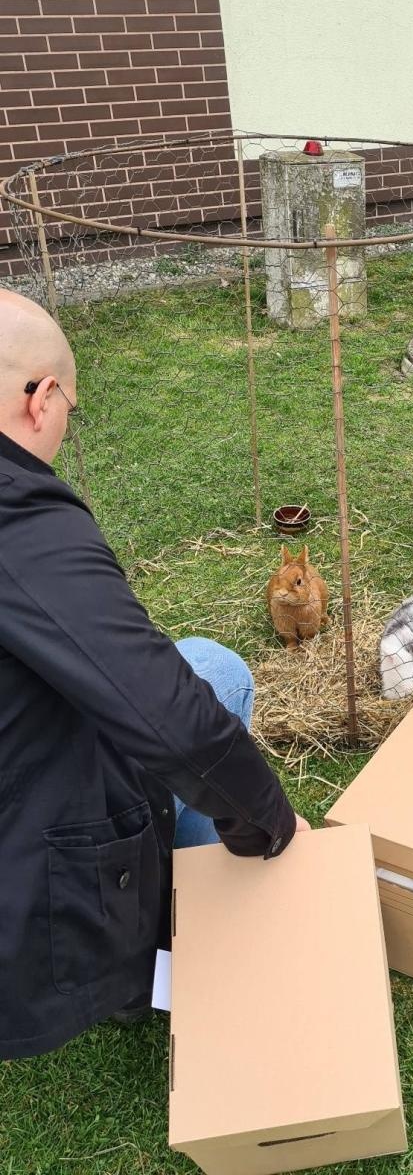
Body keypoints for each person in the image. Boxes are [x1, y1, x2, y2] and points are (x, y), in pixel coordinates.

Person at [0, 289, 308, 1060]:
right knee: (216, 678)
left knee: (202, 661)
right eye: (68, 400)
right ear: (39, 399)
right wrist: (269, 816)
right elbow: (169, 716)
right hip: (23, 884)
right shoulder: (23, 522)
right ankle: (175, 955)